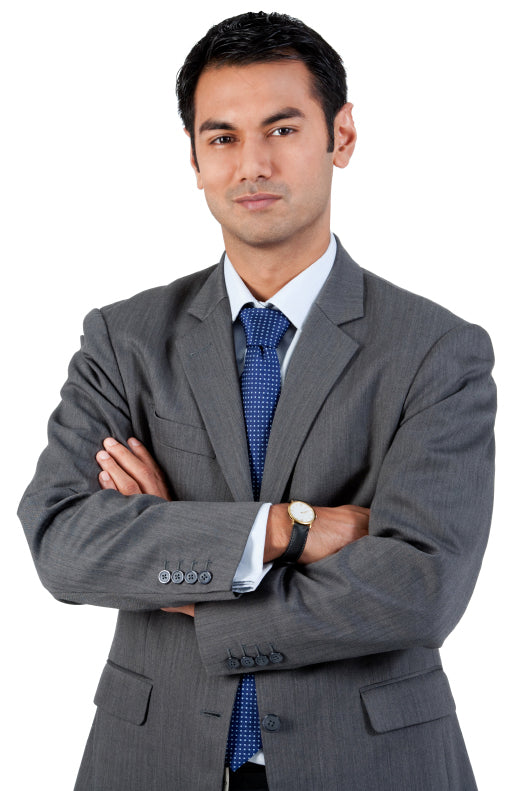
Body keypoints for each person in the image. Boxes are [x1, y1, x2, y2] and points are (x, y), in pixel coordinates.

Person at [18, 10, 496, 791]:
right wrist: (284, 530)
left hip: (370, 762)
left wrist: (192, 580)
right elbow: (63, 540)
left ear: (341, 136)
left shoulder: (438, 349)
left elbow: (420, 588)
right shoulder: (124, 338)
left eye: (281, 129)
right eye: (223, 137)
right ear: (196, 157)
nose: (252, 164)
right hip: (152, 757)